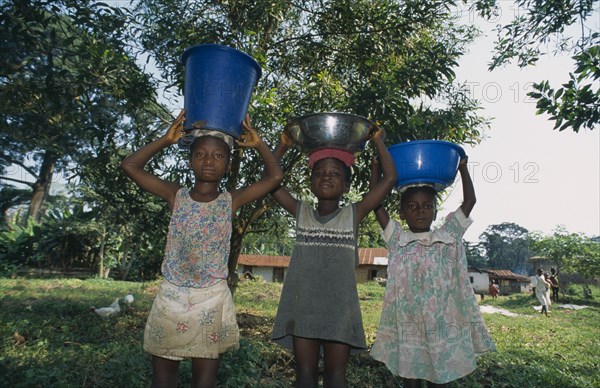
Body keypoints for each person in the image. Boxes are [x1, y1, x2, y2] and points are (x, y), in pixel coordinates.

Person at [120, 110, 283, 388]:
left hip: (211, 299)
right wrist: (166, 139)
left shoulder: (230, 200)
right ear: (190, 160)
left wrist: (260, 145)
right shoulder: (175, 195)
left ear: (229, 165)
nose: (209, 160)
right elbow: (130, 166)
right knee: (163, 381)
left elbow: (275, 177)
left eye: (218, 156)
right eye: (201, 154)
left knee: (204, 382)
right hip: (172, 296)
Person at [269, 126, 397, 387]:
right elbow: (270, 181)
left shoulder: (354, 214)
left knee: (336, 376)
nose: (326, 177)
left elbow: (390, 179)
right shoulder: (300, 211)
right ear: (311, 181)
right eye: (320, 173)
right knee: (304, 374)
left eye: (335, 173)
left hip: (340, 312)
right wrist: (282, 145)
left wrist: (378, 142)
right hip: (303, 309)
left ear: (347, 184)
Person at [370, 156, 496, 387]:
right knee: (411, 376)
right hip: (409, 323)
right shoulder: (398, 239)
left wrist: (463, 169)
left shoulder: (448, 236)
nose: (420, 211)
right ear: (402, 213)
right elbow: (375, 203)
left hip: (443, 323)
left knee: (442, 375)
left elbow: (470, 201)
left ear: (436, 212)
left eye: (428, 206)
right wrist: (375, 169)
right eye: (412, 206)